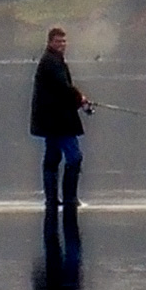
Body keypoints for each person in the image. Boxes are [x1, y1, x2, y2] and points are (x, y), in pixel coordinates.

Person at [30, 27, 89, 207]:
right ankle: (70, 199)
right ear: (49, 43)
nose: (62, 44)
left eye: (63, 41)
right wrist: (81, 99)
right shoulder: (51, 62)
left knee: (52, 158)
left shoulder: (53, 60)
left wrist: (79, 100)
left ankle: (52, 200)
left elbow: (60, 90)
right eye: (58, 41)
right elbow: (63, 88)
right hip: (59, 121)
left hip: (50, 121)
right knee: (74, 157)